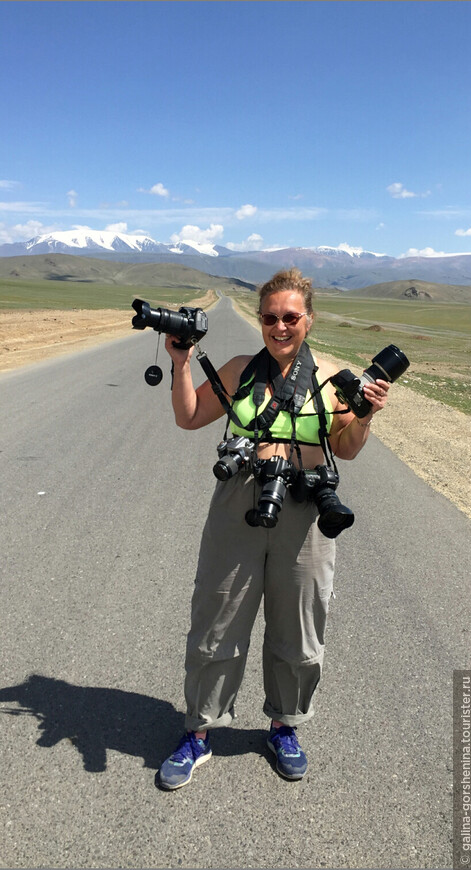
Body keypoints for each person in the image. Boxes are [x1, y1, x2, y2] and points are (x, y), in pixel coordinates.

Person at [156, 267, 391, 790]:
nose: (279, 327)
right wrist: (180, 364)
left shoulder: (334, 378)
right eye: (270, 318)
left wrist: (366, 416)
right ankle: (199, 731)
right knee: (218, 618)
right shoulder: (241, 369)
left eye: (290, 317)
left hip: (306, 506)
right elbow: (190, 417)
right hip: (239, 499)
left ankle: (285, 725)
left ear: (309, 319)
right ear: (260, 320)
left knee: (300, 624)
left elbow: (347, 449)